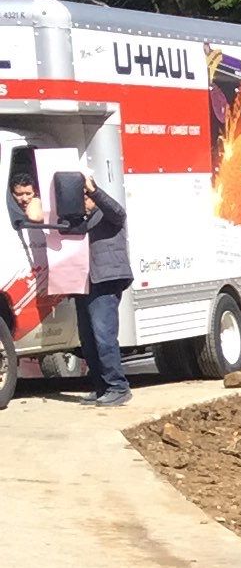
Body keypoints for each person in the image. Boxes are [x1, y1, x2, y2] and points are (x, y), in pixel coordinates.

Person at [58, 174, 133, 407]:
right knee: (88, 339)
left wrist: (94, 189)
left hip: (106, 280)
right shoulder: (79, 219)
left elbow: (118, 212)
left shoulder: (107, 213)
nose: (83, 201)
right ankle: (101, 387)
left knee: (104, 337)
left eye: (86, 197)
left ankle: (118, 387)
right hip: (84, 282)